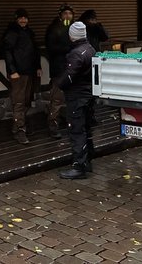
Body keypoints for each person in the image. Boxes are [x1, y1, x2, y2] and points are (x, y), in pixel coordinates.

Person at [57, 21, 96, 179]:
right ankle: (87, 161)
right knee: (86, 128)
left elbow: (69, 75)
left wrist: (59, 84)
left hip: (77, 96)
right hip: (88, 94)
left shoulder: (76, 53)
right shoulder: (90, 49)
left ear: (72, 36)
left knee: (76, 130)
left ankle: (79, 166)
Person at [3, 8, 42, 144]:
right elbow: (7, 52)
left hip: (29, 72)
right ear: (16, 19)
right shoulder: (12, 33)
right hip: (18, 73)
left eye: (25, 18)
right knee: (18, 102)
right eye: (20, 18)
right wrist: (12, 70)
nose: (23, 20)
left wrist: (38, 66)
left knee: (26, 101)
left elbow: (35, 51)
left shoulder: (29, 32)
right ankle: (20, 130)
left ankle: (18, 127)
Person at [45, 3, 74, 139]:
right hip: (58, 69)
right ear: (60, 15)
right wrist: (68, 48)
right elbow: (51, 48)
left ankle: (71, 123)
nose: (68, 16)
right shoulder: (53, 29)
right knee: (56, 99)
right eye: (65, 14)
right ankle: (52, 125)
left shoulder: (73, 28)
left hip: (72, 69)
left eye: (70, 13)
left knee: (71, 97)